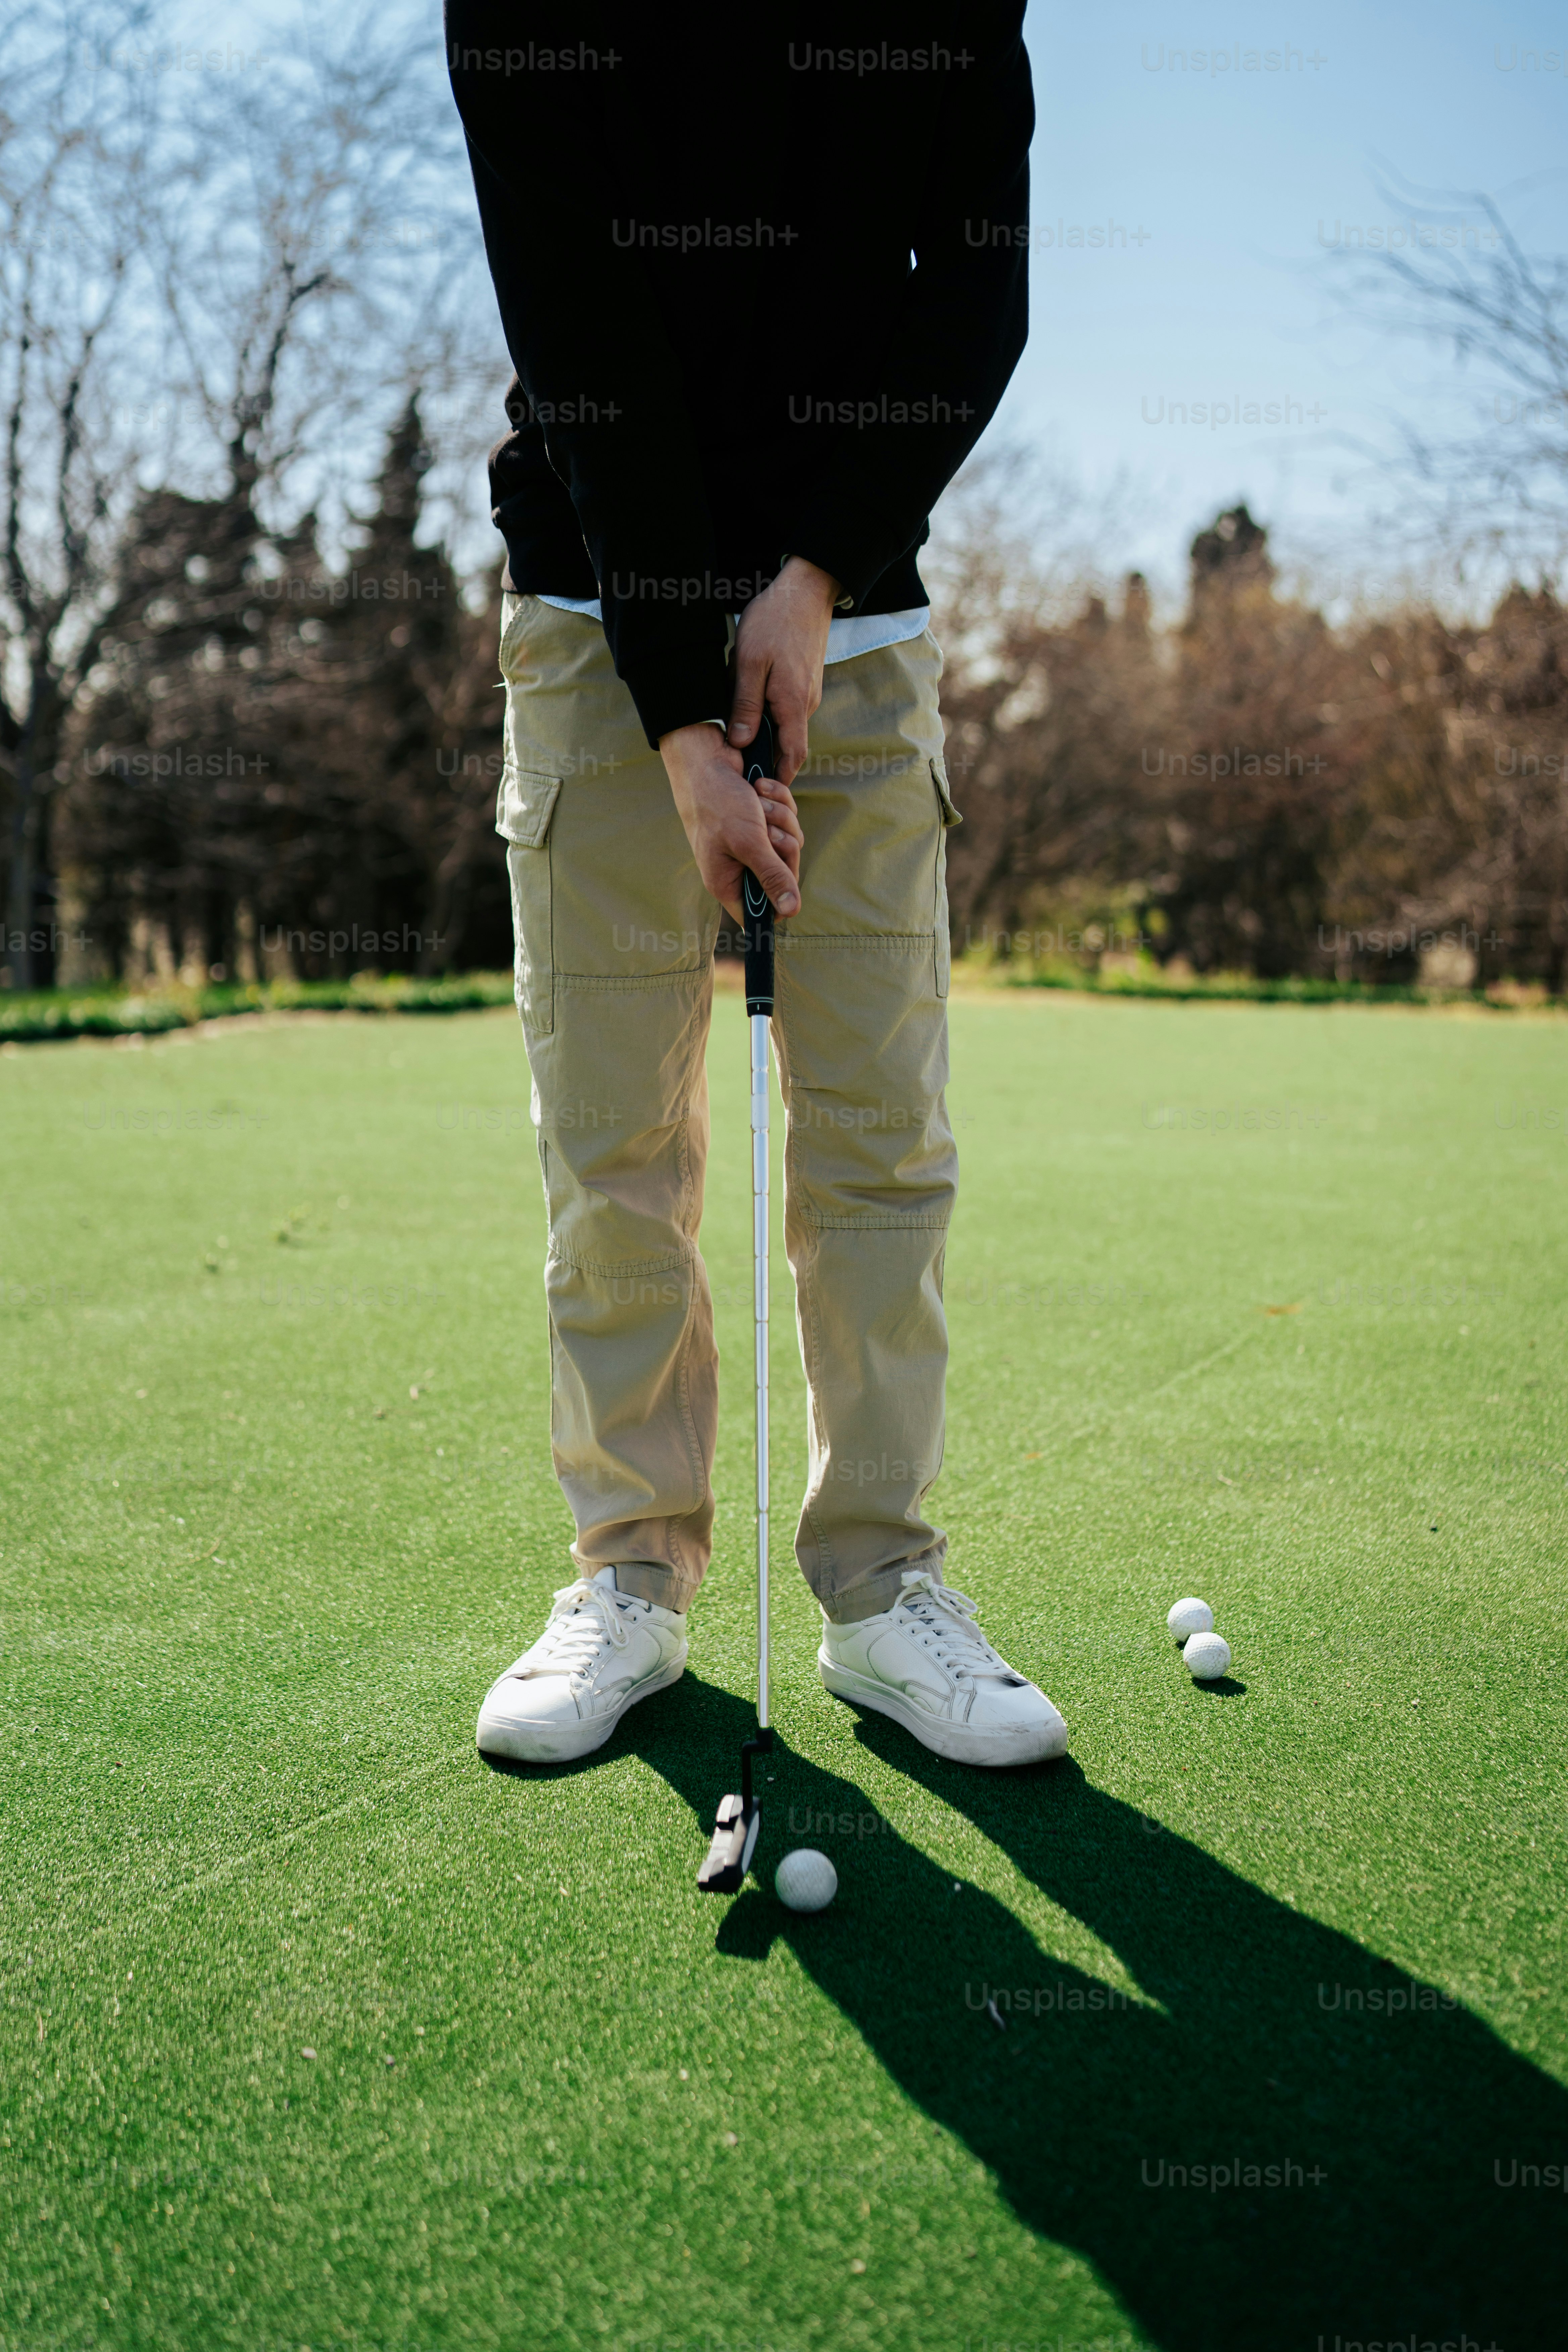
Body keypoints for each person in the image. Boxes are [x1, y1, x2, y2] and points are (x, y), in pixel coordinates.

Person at [445, 3, 1068, 1771]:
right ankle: (629, 1581)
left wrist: (814, 568)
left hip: (857, 620)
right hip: (591, 599)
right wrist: (680, 715)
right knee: (614, 1131)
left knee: (878, 1127)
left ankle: (882, 1595)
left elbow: (975, 294)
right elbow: (581, 321)